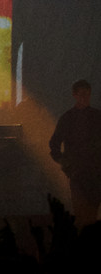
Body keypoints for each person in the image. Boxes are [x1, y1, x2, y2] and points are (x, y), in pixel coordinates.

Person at [49, 79, 101, 227]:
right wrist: (66, 164)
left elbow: (54, 145)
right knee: (84, 214)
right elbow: (54, 145)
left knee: (89, 214)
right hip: (80, 174)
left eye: (87, 94)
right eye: (82, 94)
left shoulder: (97, 117)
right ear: (75, 95)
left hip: (94, 174)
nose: (85, 98)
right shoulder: (68, 118)